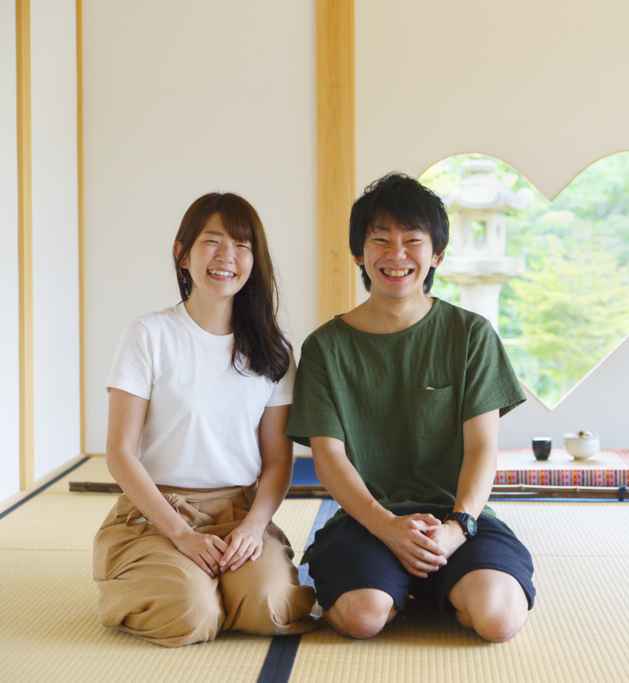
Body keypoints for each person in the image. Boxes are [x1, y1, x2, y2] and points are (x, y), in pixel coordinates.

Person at [287, 173, 536, 642]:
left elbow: (483, 448)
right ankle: (404, 589)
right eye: (380, 240)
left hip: (456, 517)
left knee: (498, 620)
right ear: (359, 254)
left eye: (412, 241)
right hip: (367, 520)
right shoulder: (325, 347)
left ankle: (428, 585)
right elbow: (329, 457)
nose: (396, 254)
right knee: (361, 618)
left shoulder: (471, 335)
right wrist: (387, 527)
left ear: (436, 254)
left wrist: (458, 527)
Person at [94, 193, 317, 647]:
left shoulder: (273, 351)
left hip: (238, 511)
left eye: (241, 245)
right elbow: (120, 452)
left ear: (255, 259)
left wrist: (254, 527)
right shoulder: (149, 334)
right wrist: (180, 534)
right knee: (190, 616)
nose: (226, 258)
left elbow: (278, 461)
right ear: (182, 254)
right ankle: (178, 584)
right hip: (159, 511)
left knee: (269, 607)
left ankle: (216, 586)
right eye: (211, 242)